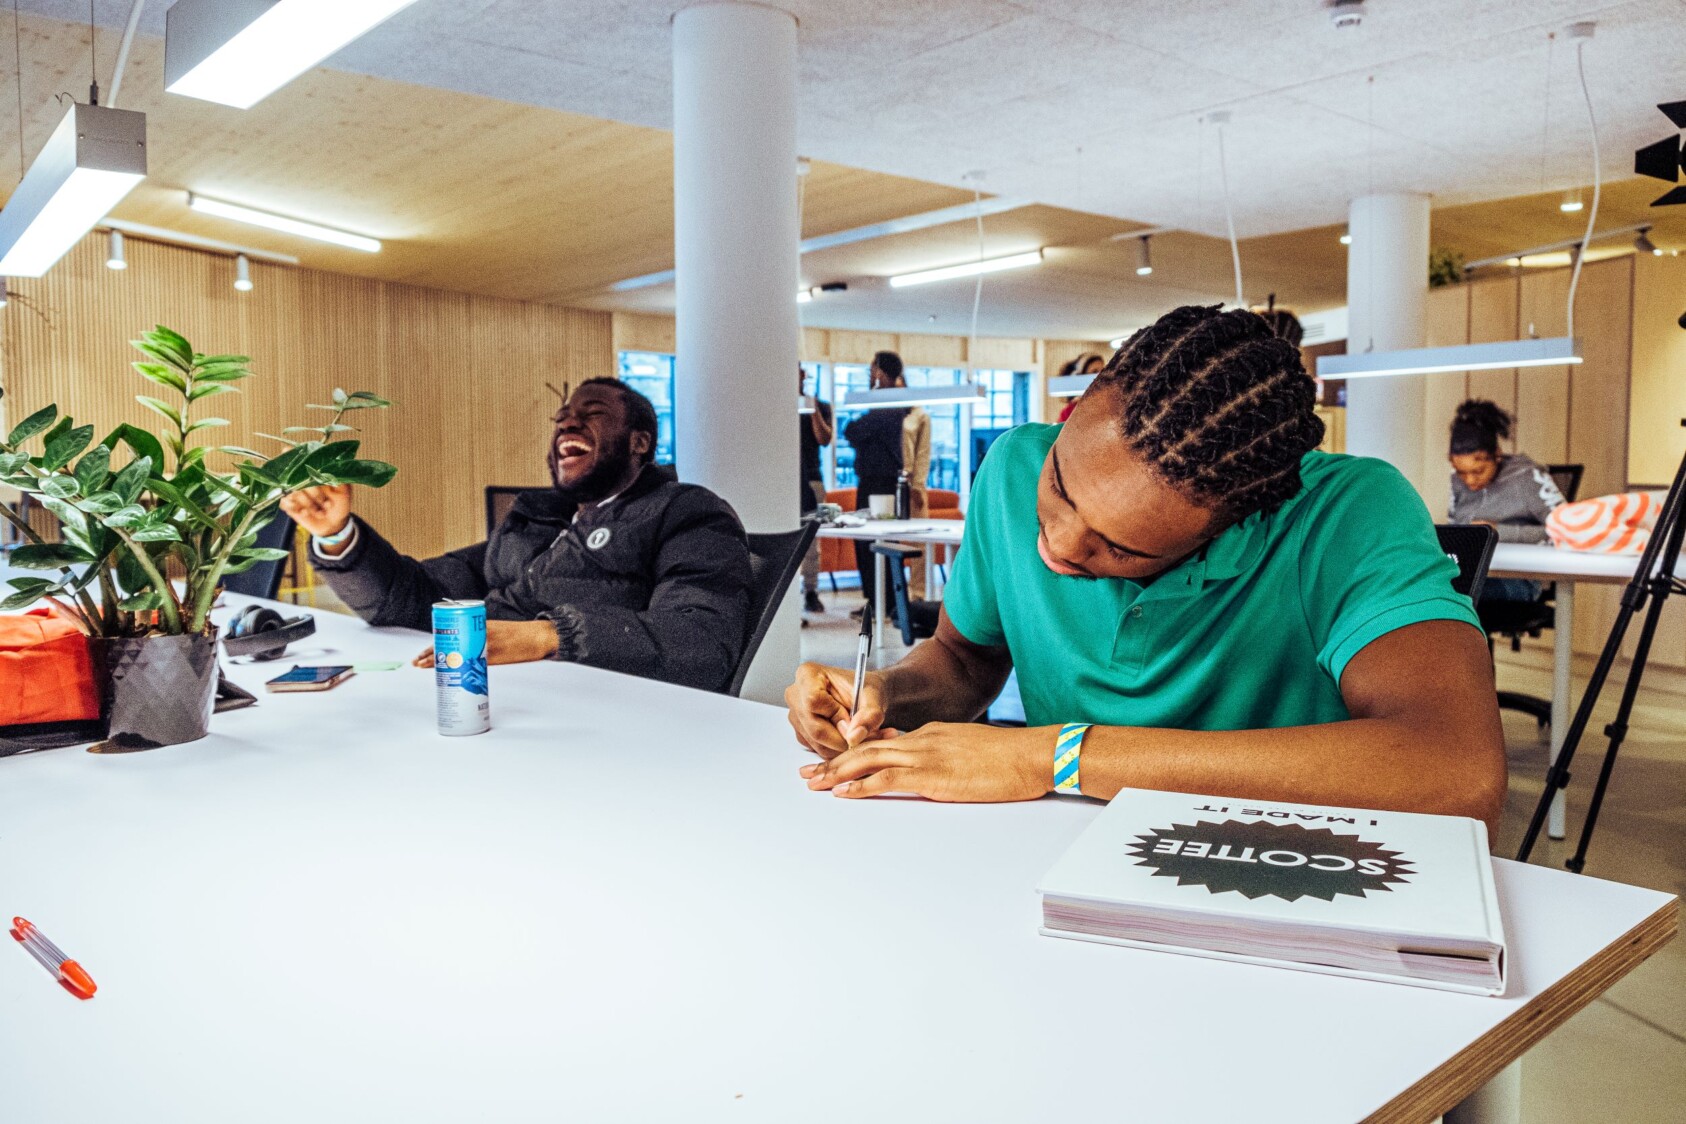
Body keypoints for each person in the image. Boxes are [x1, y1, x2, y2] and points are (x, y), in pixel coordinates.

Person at [786, 304, 1506, 836]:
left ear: (1240, 517)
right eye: (1060, 489)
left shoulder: (1350, 512)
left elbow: (1455, 767)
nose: (1058, 548)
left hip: (1270, 857)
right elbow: (963, 658)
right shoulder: (1011, 468)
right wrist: (882, 694)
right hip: (1055, 852)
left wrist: (1059, 757)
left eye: (1120, 550)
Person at [281, 378, 753, 693]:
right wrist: (339, 535)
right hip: (491, 692)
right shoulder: (535, 518)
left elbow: (704, 641)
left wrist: (551, 636)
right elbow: (413, 598)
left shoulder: (686, 510)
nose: (568, 422)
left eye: (592, 414)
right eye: (563, 417)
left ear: (639, 442)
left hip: (597, 716)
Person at [1447, 399, 1564, 603]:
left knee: (1450, 596)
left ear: (1497, 455)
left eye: (1478, 471)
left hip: (1519, 581)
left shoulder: (1526, 478)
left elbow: (1567, 531)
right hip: (1470, 574)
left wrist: (1497, 531)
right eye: (1461, 472)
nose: (1470, 481)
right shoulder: (1457, 482)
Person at [842, 352, 909, 610]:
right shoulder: (882, 404)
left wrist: (856, 426)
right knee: (868, 543)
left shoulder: (890, 405)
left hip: (881, 484)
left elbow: (854, 431)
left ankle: (884, 602)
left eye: (872, 369)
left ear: (880, 372)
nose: (869, 374)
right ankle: (875, 600)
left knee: (878, 542)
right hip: (873, 482)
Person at [798, 365, 834, 616]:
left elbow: (824, 438)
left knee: (811, 541)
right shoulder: (776, 402)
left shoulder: (819, 405)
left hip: (812, 480)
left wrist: (812, 409)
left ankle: (811, 592)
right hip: (784, 481)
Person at [1056, 352, 1106, 423]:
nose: (1100, 375)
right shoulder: (1070, 411)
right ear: (1081, 377)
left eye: (1103, 370)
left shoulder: (1109, 404)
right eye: (1094, 371)